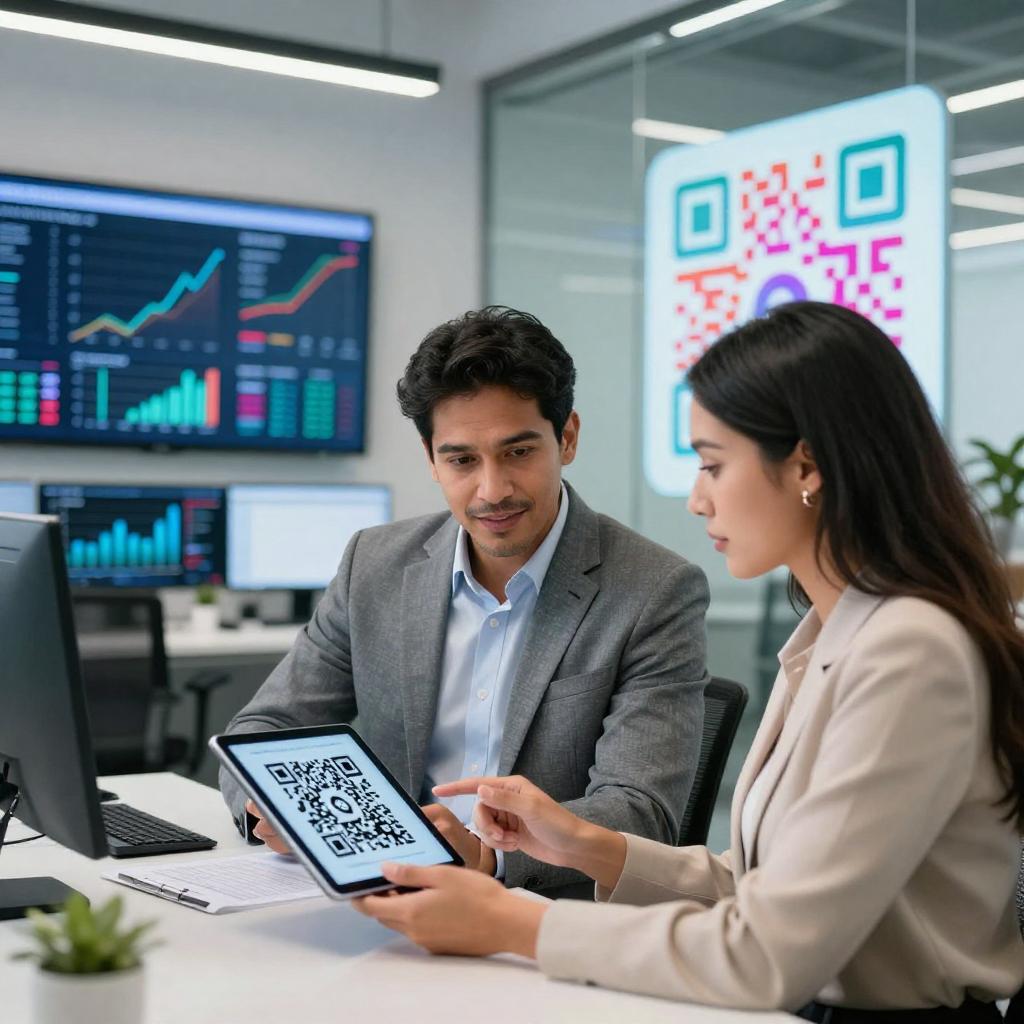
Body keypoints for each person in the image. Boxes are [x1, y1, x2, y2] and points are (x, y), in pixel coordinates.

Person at [353, 300, 1024, 1018]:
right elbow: (766, 890)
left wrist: (512, 924)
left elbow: (767, 953)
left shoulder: (910, 653)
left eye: (712, 465)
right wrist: (583, 844)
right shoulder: (834, 633)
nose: (698, 501)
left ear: (806, 465)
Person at [218, 305, 710, 896]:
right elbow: (265, 729)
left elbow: (639, 811)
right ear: (431, 458)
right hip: (381, 894)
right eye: (462, 460)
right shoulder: (373, 564)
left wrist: (487, 854)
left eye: (518, 452)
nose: (492, 490)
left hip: (541, 910)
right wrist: (274, 807)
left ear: (567, 438)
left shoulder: (654, 590)